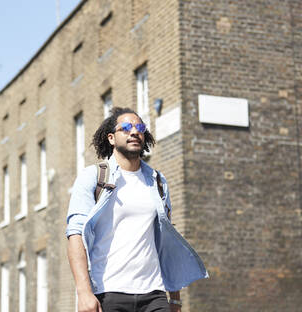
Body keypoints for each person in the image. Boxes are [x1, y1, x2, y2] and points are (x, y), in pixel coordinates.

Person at [66, 107, 207, 312]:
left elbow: (167, 240)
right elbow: (75, 235)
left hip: (154, 293)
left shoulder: (157, 181)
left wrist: (174, 298)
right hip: (108, 291)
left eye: (139, 127)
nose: (134, 131)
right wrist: (83, 292)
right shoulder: (93, 177)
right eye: (126, 127)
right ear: (111, 138)